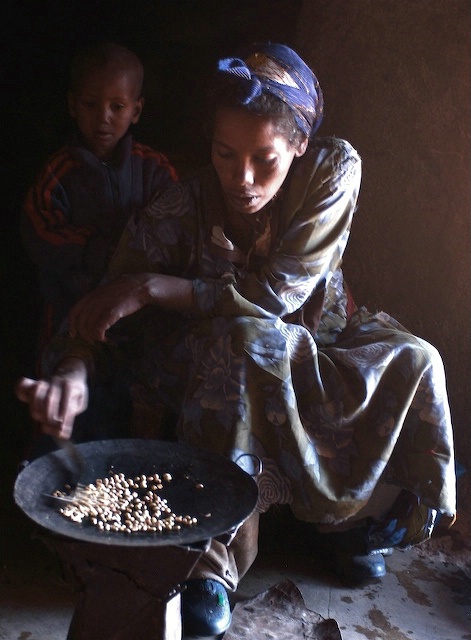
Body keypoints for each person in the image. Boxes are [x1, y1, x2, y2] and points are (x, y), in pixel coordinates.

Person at [16, 43, 456, 637]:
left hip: (321, 340)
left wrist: (160, 286)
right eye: (225, 154)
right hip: (229, 356)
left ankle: (349, 524)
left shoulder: (331, 169)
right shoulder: (182, 205)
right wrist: (74, 363)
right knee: (247, 344)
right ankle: (209, 567)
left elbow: (280, 294)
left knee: (415, 359)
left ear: (298, 146)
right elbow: (110, 296)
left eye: (263, 160)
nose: (242, 179)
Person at [20, 41, 178, 447]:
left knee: (129, 409)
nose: (103, 119)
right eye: (91, 105)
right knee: (63, 410)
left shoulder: (154, 169)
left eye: (117, 107)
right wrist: (100, 249)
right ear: (73, 105)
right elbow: (40, 232)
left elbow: (177, 228)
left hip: (137, 317)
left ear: (136, 110)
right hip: (71, 310)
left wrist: (136, 261)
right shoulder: (61, 170)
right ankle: (54, 480)